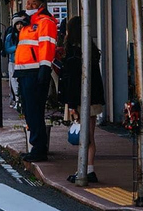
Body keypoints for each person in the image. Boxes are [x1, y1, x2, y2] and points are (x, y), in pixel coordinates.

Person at [59, 16, 105, 183]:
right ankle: (88, 169)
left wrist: (71, 106)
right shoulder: (90, 51)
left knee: (83, 137)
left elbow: (72, 82)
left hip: (79, 99)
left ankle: (83, 170)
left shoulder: (73, 53)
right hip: (94, 98)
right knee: (89, 136)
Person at [14, 0, 58, 163]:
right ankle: (36, 147)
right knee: (29, 111)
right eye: (28, 3)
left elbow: (47, 45)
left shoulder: (45, 22)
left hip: (35, 71)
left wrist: (44, 68)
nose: (29, 6)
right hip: (25, 71)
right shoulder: (28, 23)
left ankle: (39, 149)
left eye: (33, 3)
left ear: (41, 5)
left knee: (35, 111)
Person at [5, 12, 29, 108]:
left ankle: (21, 100)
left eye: (21, 24)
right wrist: (17, 47)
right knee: (14, 81)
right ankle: (17, 100)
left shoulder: (26, 34)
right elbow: (7, 49)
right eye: (17, 24)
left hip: (24, 62)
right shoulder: (10, 36)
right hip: (13, 61)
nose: (19, 26)